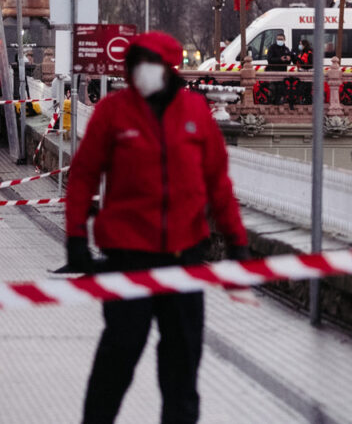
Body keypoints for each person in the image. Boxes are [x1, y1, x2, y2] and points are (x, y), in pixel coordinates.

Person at [64, 31, 249, 424]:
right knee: (119, 354)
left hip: (185, 255)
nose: (141, 73)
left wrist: (237, 242)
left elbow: (219, 184)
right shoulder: (113, 112)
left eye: (149, 64)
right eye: (135, 65)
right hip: (128, 256)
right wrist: (76, 236)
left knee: (182, 364)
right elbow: (82, 175)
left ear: (169, 69)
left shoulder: (196, 113)